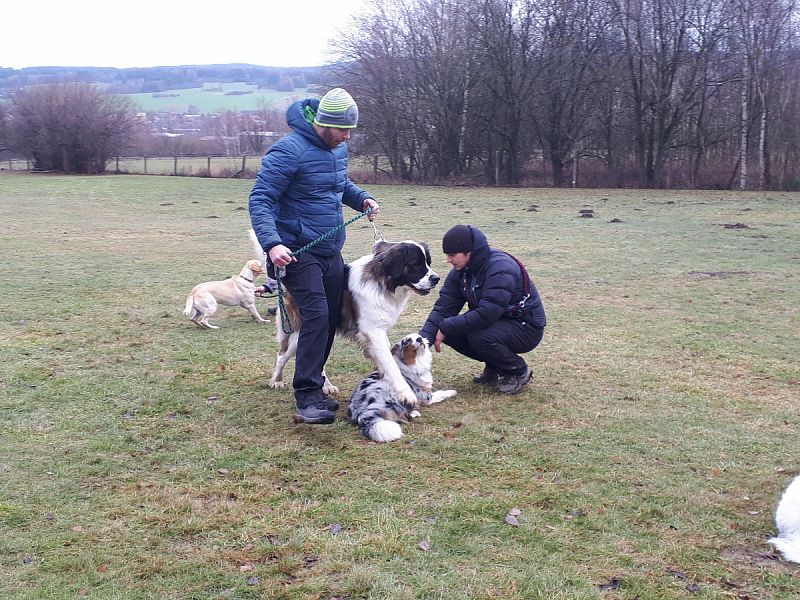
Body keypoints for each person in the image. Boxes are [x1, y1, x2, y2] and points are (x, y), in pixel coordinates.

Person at [249, 88, 380, 424]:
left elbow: (338, 185)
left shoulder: (338, 150)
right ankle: (306, 396)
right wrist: (273, 244)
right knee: (317, 315)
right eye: (343, 130)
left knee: (332, 315)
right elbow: (261, 199)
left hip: (330, 248)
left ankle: (316, 384)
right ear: (323, 124)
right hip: (295, 252)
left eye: (351, 130)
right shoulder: (288, 151)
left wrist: (361, 199)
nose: (348, 136)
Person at [419, 225, 546, 395]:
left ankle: (517, 371)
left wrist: (446, 326)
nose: (448, 260)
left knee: (478, 336)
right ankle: (495, 366)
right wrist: (420, 344)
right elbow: (443, 308)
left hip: (526, 326)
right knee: (446, 329)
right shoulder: (460, 272)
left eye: (452, 255)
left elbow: (488, 313)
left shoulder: (500, 267)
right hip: (497, 321)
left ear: (468, 252)